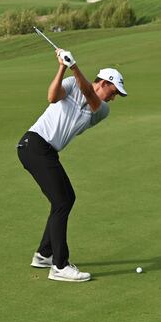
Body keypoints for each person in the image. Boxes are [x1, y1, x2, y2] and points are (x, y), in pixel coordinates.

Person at [16, 48, 127, 282]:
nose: (113, 98)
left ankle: (44, 254)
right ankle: (59, 265)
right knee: (62, 201)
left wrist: (74, 66)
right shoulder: (71, 82)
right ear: (105, 83)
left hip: (47, 151)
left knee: (66, 199)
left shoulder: (102, 110)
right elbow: (52, 97)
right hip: (34, 145)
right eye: (114, 91)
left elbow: (91, 96)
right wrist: (62, 67)